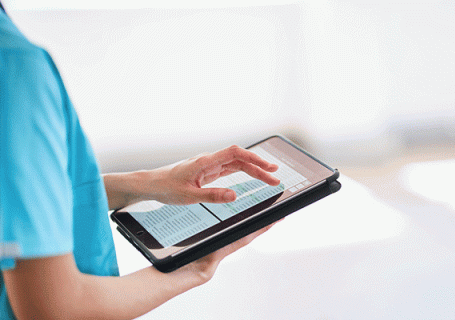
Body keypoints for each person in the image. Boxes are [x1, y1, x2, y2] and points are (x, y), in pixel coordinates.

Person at [0, 3, 281, 319]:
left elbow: (16, 201)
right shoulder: (15, 67)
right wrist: (194, 266)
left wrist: (151, 183)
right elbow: (55, 309)